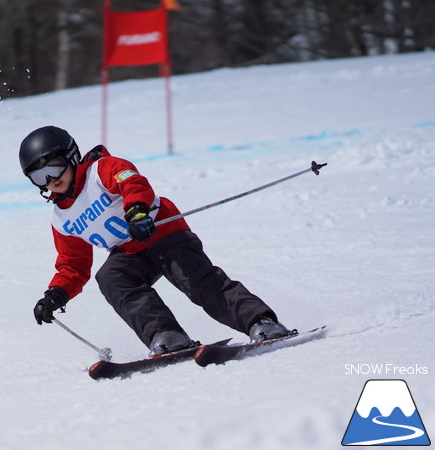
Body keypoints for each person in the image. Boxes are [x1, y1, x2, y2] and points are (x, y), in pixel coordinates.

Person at [19, 126, 288, 356]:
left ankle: (259, 322)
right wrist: (56, 294)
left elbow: (133, 182)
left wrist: (137, 212)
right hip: (129, 252)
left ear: (72, 157)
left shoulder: (100, 170)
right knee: (111, 277)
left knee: (196, 281)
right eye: (39, 177)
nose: (51, 181)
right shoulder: (61, 217)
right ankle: (167, 336)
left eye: (54, 168)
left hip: (161, 230)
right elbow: (73, 265)